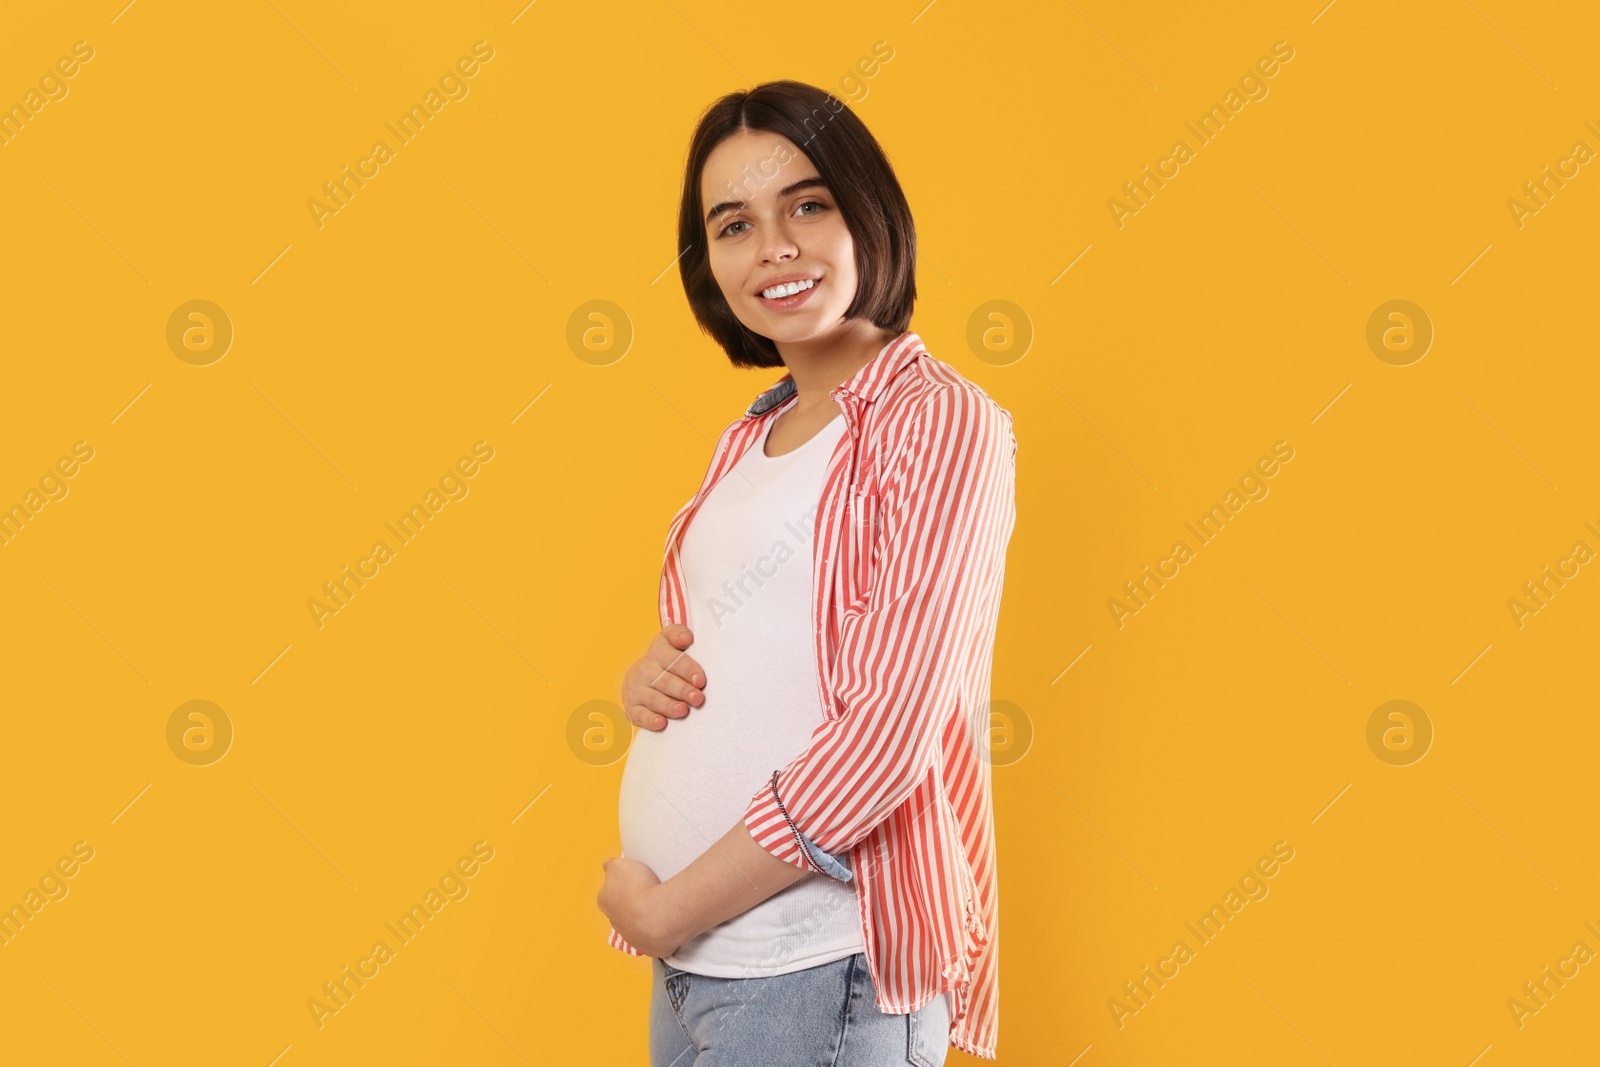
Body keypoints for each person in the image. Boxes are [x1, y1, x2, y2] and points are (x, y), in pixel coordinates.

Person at [595, 78, 1017, 1064]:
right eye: (733, 223)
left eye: (808, 204)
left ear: (867, 211)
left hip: (820, 970)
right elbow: (757, 642)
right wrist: (649, 673)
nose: (773, 246)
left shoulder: (939, 421)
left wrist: (663, 909)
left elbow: (884, 734)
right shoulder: (750, 437)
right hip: (702, 967)